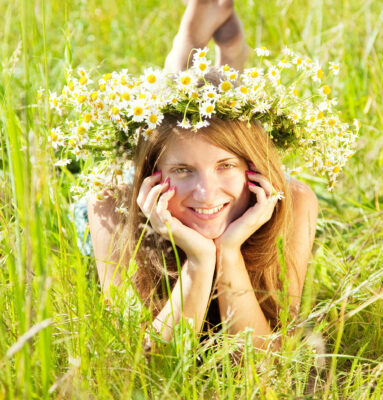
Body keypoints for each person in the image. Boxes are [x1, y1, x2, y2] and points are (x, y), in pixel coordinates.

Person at [86, 0, 319, 349]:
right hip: (139, 203)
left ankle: (208, 49)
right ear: (151, 176)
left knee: (206, 119)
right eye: (182, 171)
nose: (206, 193)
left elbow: (266, 364)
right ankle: (192, 43)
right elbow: (148, 370)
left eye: (226, 166)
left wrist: (228, 251)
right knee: (167, 121)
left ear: (252, 167)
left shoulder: (294, 201)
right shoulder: (112, 207)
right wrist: (200, 259)